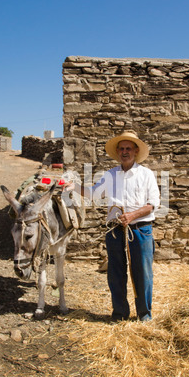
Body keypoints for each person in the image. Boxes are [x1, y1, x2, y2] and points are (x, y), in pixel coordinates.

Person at [64, 131, 160, 322]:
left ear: (135, 151)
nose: (125, 152)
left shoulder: (146, 174)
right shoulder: (110, 175)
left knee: (143, 273)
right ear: (118, 152)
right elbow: (93, 194)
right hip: (115, 230)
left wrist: (132, 215)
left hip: (140, 229)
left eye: (128, 148)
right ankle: (119, 314)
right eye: (122, 148)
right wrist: (74, 187)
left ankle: (144, 315)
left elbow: (153, 204)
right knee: (116, 273)